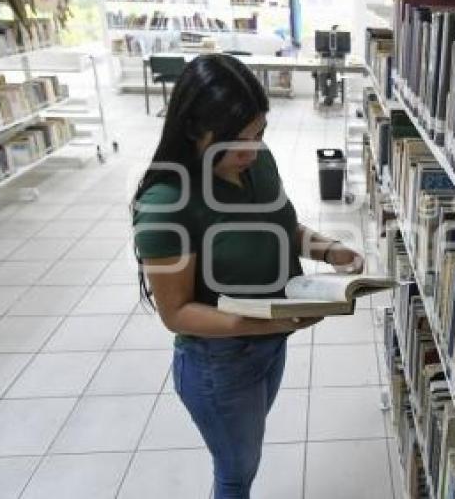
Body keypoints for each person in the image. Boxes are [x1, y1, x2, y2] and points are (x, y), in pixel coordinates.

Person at [131, 54, 363, 499]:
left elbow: (282, 226)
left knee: (246, 454)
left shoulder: (256, 162)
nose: (251, 150)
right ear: (194, 129)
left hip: (270, 344)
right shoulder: (167, 203)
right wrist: (266, 323)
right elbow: (176, 313)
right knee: (237, 472)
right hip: (220, 363)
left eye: (259, 134)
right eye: (236, 140)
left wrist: (331, 250)